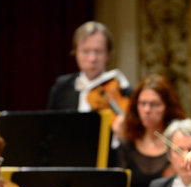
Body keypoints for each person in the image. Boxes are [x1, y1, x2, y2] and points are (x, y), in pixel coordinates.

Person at [46, 21, 133, 166]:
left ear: (108, 55)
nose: (92, 59)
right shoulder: (61, 88)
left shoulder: (123, 89)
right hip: (68, 163)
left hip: (109, 165)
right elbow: (49, 129)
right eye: (85, 51)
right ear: (76, 53)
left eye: (98, 52)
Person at [118, 74, 186, 187]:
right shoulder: (126, 145)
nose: (147, 110)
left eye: (154, 104)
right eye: (142, 104)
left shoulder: (179, 146)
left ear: (167, 108)